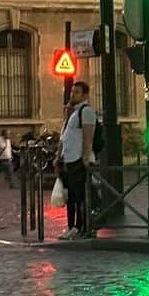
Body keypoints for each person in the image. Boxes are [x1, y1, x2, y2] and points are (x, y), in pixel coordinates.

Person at [56, 80, 96, 239]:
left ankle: (82, 227)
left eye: (76, 92)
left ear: (85, 95)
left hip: (78, 161)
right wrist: (59, 156)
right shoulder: (72, 113)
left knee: (80, 197)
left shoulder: (86, 112)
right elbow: (65, 136)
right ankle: (72, 226)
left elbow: (88, 136)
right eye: (72, 92)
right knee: (71, 197)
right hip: (69, 160)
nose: (72, 94)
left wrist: (85, 157)